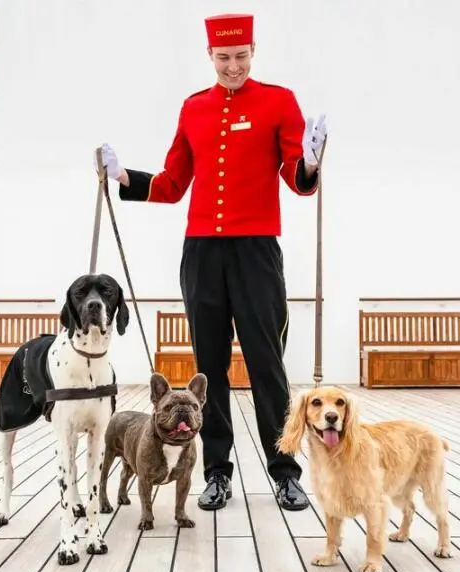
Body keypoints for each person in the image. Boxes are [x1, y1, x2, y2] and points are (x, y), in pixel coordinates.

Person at [98, 13, 327, 512]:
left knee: (267, 365)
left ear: (252, 52)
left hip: (256, 251)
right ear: (210, 57)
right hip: (201, 251)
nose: (233, 66)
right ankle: (216, 473)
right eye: (223, 58)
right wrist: (123, 177)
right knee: (211, 369)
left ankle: (285, 472)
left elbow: (296, 177)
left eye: (241, 56)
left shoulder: (278, 101)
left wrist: (310, 161)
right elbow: (174, 183)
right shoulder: (194, 107)